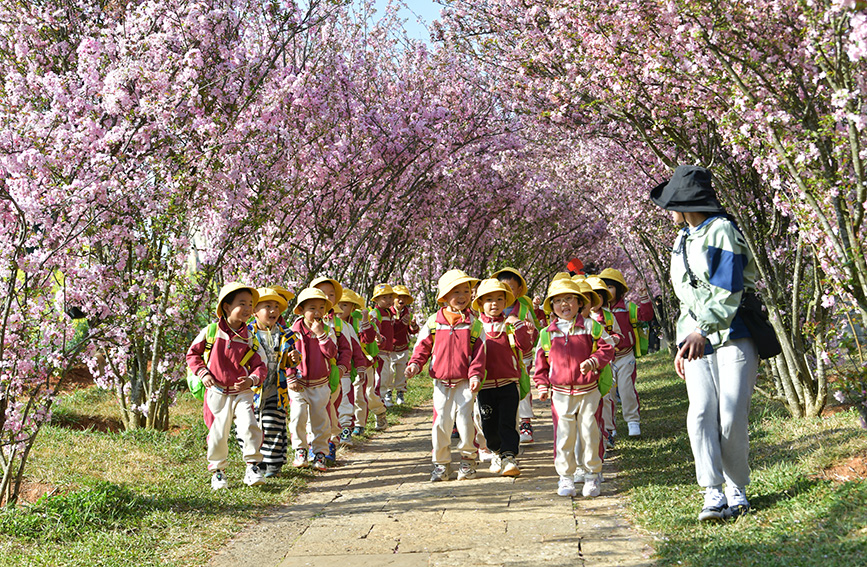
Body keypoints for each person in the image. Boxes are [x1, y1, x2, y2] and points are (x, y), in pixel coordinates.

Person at [650, 164, 759, 522]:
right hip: (695, 340)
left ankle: (736, 487)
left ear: (686, 204)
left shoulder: (722, 230)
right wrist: (686, 340)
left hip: (733, 334)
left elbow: (729, 288)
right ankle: (712, 491)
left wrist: (703, 329)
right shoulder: (682, 240)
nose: (669, 211)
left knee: (730, 416)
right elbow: (686, 299)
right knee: (700, 413)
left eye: (672, 204)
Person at [533, 278, 614, 498]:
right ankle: (566, 476)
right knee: (564, 435)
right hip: (560, 394)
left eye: (569, 299)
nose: (564, 304)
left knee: (590, 432)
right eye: (558, 300)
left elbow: (608, 347)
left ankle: (592, 474)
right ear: (552, 306)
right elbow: (541, 363)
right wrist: (542, 385)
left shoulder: (591, 327)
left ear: (579, 302)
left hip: (588, 391)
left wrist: (594, 361)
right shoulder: (547, 333)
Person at [406, 269, 486, 481]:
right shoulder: (434, 322)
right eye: (455, 291)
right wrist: (415, 365)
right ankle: (441, 464)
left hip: (465, 382)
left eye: (466, 291)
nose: (462, 296)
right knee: (441, 422)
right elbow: (422, 348)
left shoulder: (474, 324)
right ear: (444, 296)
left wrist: (475, 375)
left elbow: (480, 354)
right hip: (441, 383)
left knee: (465, 421)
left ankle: (468, 460)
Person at [186, 283, 268, 490]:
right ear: (226, 306)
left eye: (250, 304)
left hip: (242, 392)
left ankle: (252, 466)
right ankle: (218, 471)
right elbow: (192, 355)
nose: (248, 308)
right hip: (217, 392)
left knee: (249, 426)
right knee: (218, 432)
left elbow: (260, 365)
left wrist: (252, 380)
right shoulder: (211, 332)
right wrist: (203, 373)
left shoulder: (250, 337)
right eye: (242, 303)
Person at [474, 278, 532, 477]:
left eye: (500, 299)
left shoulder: (509, 325)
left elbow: (525, 346)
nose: (495, 304)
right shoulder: (476, 326)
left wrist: (519, 326)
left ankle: (509, 456)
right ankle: (496, 452)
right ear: (480, 303)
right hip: (484, 385)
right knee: (488, 424)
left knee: (508, 422)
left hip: (508, 382)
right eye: (489, 299)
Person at [245, 288, 301, 477]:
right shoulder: (247, 333)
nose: (273, 310)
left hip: (276, 388)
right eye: (267, 306)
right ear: (254, 311)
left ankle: (274, 464)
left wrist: (294, 359)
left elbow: (292, 358)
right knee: (252, 426)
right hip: (253, 389)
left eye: (276, 306)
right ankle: (257, 461)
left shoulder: (285, 334)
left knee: (273, 423)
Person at [288, 287, 339, 472]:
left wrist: (321, 335)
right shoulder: (292, 332)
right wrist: (290, 375)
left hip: (320, 384)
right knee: (298, 416)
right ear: (301, 310)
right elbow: (286, 356)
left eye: (321, 308)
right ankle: (300, 449)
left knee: (320, 420)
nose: (317, 312)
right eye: (312, 308)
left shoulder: (327, 330)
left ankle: (319, 452)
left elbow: (332, 353)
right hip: (298, 384)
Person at [598, 267, 653, 437]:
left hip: (625, 356)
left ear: (619, 289)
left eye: (611, 287)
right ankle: (610, 426)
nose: (607, 291)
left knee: (626, 388)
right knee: (607, 393)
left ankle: (632, 421)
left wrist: (644, 298)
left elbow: (646, 316)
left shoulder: (627, 307)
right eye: (604, 287)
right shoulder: (597, 311)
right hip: (606, 358)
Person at [492, 267, 541, 444]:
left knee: (523, 387)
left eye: (511, 288)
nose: (506, 292)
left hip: (521, 357)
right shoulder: (491, 307)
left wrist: (529, 333)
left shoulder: (523, 310)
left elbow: (535, 334)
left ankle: (525, 422)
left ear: (519, 290)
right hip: (499, 357)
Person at [310, 276, 351, 464]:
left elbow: (347, 349)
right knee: (310, 414)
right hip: (307, 377)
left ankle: (330, 441)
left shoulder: (339, 324)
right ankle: (313, 447)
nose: (326, 298)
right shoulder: (301, 323)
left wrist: (342, 366)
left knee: (329, 411)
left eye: (331, 295)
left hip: (331, 376)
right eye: (321, 293)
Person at [334, 288, 378, 444]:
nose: (339, 308)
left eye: (344, 305)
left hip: (349, 369)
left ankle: (350, 427)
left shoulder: (350, 325)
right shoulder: (324, 322)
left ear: (353, 308)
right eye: (337, 304)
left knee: (351, 397)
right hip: (328, 371)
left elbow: (360, 345)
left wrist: (360, 366)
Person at [586, 275, 624, 451]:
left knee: (607, 397)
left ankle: (608, 430)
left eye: (599, 296)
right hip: (585, 368)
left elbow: (618, 334)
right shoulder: (579, 319)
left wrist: (614, 339)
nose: (594, 301)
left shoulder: (608, 317)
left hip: (605, 364)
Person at [390, 285, 419, 405]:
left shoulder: (408, 313)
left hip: (403, 348)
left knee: (401, 372)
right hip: (390, 348)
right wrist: (401, 323)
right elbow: (391, 330)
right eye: (399, 297)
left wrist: (413, 325)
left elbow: (411, 331)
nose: (401, 300)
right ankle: (388, 393)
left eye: (404, 297)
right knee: (389, 372)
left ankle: (400, 393)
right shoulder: (388, 313)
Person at [370, 283, 397, 406]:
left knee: (388, 375)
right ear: (376, 300)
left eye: (390, 297)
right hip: (380, 350)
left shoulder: (389, 313)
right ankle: (378, 400)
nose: (388, 300)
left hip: (388, 350)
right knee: (381, 376)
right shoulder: (376, 313)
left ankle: (382, 397)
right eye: (384, 298)